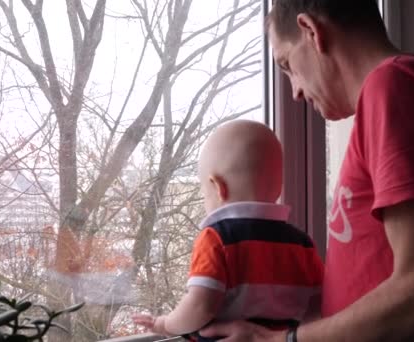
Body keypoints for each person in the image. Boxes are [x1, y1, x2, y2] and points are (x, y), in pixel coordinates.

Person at [199, 1, 414, 341]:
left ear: (311, 31)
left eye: (287, 65)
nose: (295, 91)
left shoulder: (395, 86)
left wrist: (276, 341)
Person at [132, 120, 324, 341]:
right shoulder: (303, 245)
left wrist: (165, 323)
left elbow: (200, 306)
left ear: (217, 187)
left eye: (204, 193)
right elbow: (317, 309)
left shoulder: (216, 238)